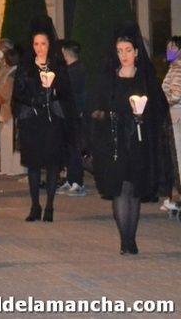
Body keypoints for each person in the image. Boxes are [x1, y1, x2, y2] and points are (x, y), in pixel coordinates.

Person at [90, 21, 175, 254]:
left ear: (136, 52)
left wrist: (142, 116)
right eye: (120, 51)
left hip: (138, 142)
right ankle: (124, 241)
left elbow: (159, 110)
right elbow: (97, 109)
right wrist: (110, 115)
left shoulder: (145, 78)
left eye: (128, 50)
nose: (124, 55)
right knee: (119, 189)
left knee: (133, 188)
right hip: (115, 142)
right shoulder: (110, 77)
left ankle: (131, 239)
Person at [12, 15, 74, 222]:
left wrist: (53, 92)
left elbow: (67, 93)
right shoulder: (26, 67)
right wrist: (34, 100)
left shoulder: (58, 66)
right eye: (36, 44)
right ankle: (35, 206)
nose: (40, 48)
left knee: (52, 164)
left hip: (52, 121)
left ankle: (49, 206)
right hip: (32, 120)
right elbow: (18, 93)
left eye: (43, 44)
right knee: (33, 165)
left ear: (49, 45)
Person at [58, 40, 87, 197]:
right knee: (68, 149)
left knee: (74, 149)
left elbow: (78, 94)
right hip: (67, 114)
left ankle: (77, 182)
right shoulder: (72, 69)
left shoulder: (76, 71)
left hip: (73, 115)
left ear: (65, 52)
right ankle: (70, 180)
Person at [0, 48, 24, 175]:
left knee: (8, 141)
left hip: (8, 110)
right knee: (10, 140)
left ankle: (9, 167)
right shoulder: (17, 72)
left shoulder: (11, 74)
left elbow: (4, 93)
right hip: (12, 109)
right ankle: (10, 167)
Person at [161, 35, 181, 211]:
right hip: (172, 117)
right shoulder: (173, 67)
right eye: (168, 47)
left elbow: (175, 95)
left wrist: (161, 102)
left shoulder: (179, 68)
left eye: (173, 48)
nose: (169, 51)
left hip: (177, 118)